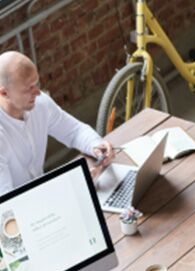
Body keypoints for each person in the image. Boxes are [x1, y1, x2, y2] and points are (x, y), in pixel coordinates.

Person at [0, 51, 113, 195]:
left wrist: (96, 145)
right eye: (29, 88)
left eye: (37, 83)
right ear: (4, 93)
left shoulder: (40, 104)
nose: (38, 92)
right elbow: (6, 203)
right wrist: (69, 186)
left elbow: (75, 131)